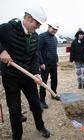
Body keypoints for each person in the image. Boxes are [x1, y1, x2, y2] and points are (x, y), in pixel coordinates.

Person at [0, 6, 50, 139]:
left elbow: (34, 56)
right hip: (10, 76)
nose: (38, 27)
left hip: (27, 75)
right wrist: (2, 51)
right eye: (37, 24)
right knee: (15, 110)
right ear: (28, 18)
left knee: (36, 104)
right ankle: (17, 136)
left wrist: (37, 72)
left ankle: (40, 126)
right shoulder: (8, 28)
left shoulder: (35, 36)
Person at [38, 22, 60, 109]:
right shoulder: (42, 36)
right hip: (45, 64)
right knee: (43, 82)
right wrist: (41, 63)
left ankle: (53, 94)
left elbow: (55, 51)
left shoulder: (55, 38)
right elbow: (38, 50)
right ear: (49, 27)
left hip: (53, 63)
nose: (54, 31)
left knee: (54, 79)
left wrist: (57, 60)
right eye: (53, 29)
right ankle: (42, 100)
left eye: (56, 30)